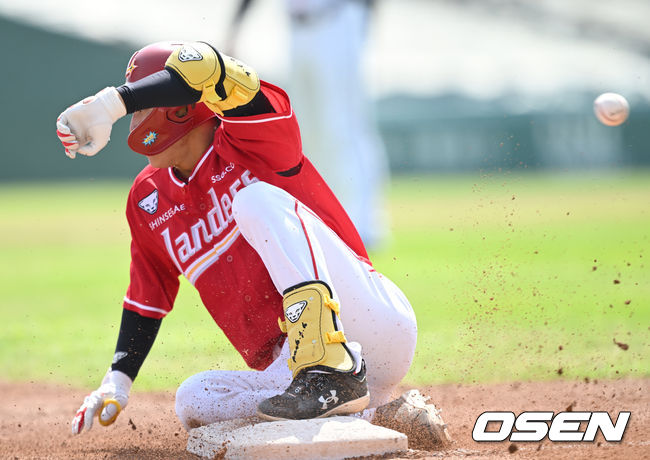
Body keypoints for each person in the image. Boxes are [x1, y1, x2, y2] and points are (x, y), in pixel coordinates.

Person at [56, 41, 449, 448]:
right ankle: (379, 415)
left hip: (368, 317)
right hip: (291, 365)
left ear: (180, 108)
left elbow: (205, 67)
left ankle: (333, 370)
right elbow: (147, 298)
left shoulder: (255, 137)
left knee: (254, 200)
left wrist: (112, 101)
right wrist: (116, 381)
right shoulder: (147, 198)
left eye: (143, 103)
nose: (134, 117)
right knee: (193, 399)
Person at [228, 0, 390, 248]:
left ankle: (365, 224)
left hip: (338, 18)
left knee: (343, 127)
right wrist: (236, 25)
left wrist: (364, 16)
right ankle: (324, 220)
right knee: (307, 133)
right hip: (298, 27)